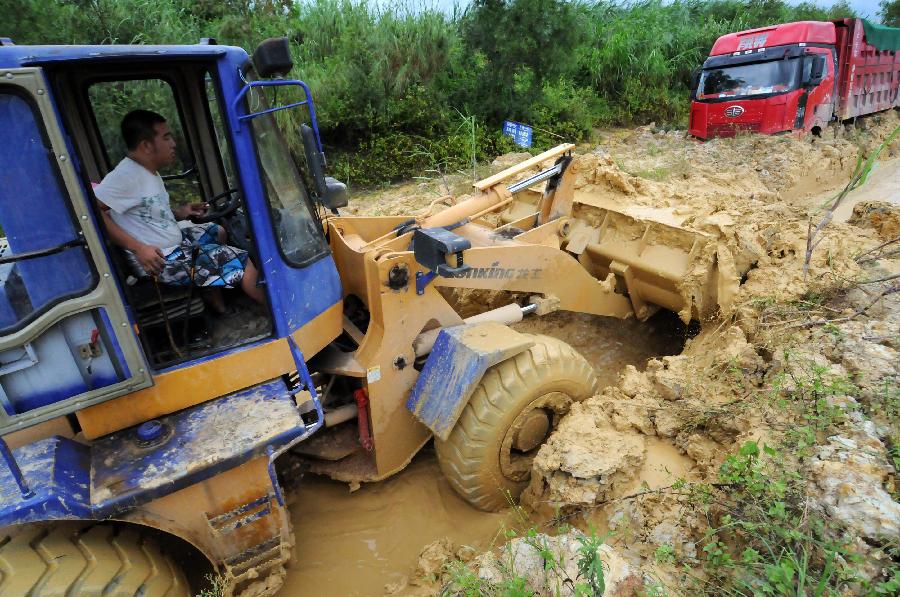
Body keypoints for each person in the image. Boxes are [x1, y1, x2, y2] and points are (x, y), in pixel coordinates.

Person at [94, 110, 265, 307]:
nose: (173, 143)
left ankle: (215, 303)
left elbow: (149, 212)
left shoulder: (148, 172)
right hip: (160, 262)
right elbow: (92, 213)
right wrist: (139, 248)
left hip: (174, 245)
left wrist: (181, 212)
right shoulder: (125, 176)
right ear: (146, 145)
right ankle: (281, 317)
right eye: (166, 137)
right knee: (243, 263)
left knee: (217, 231)